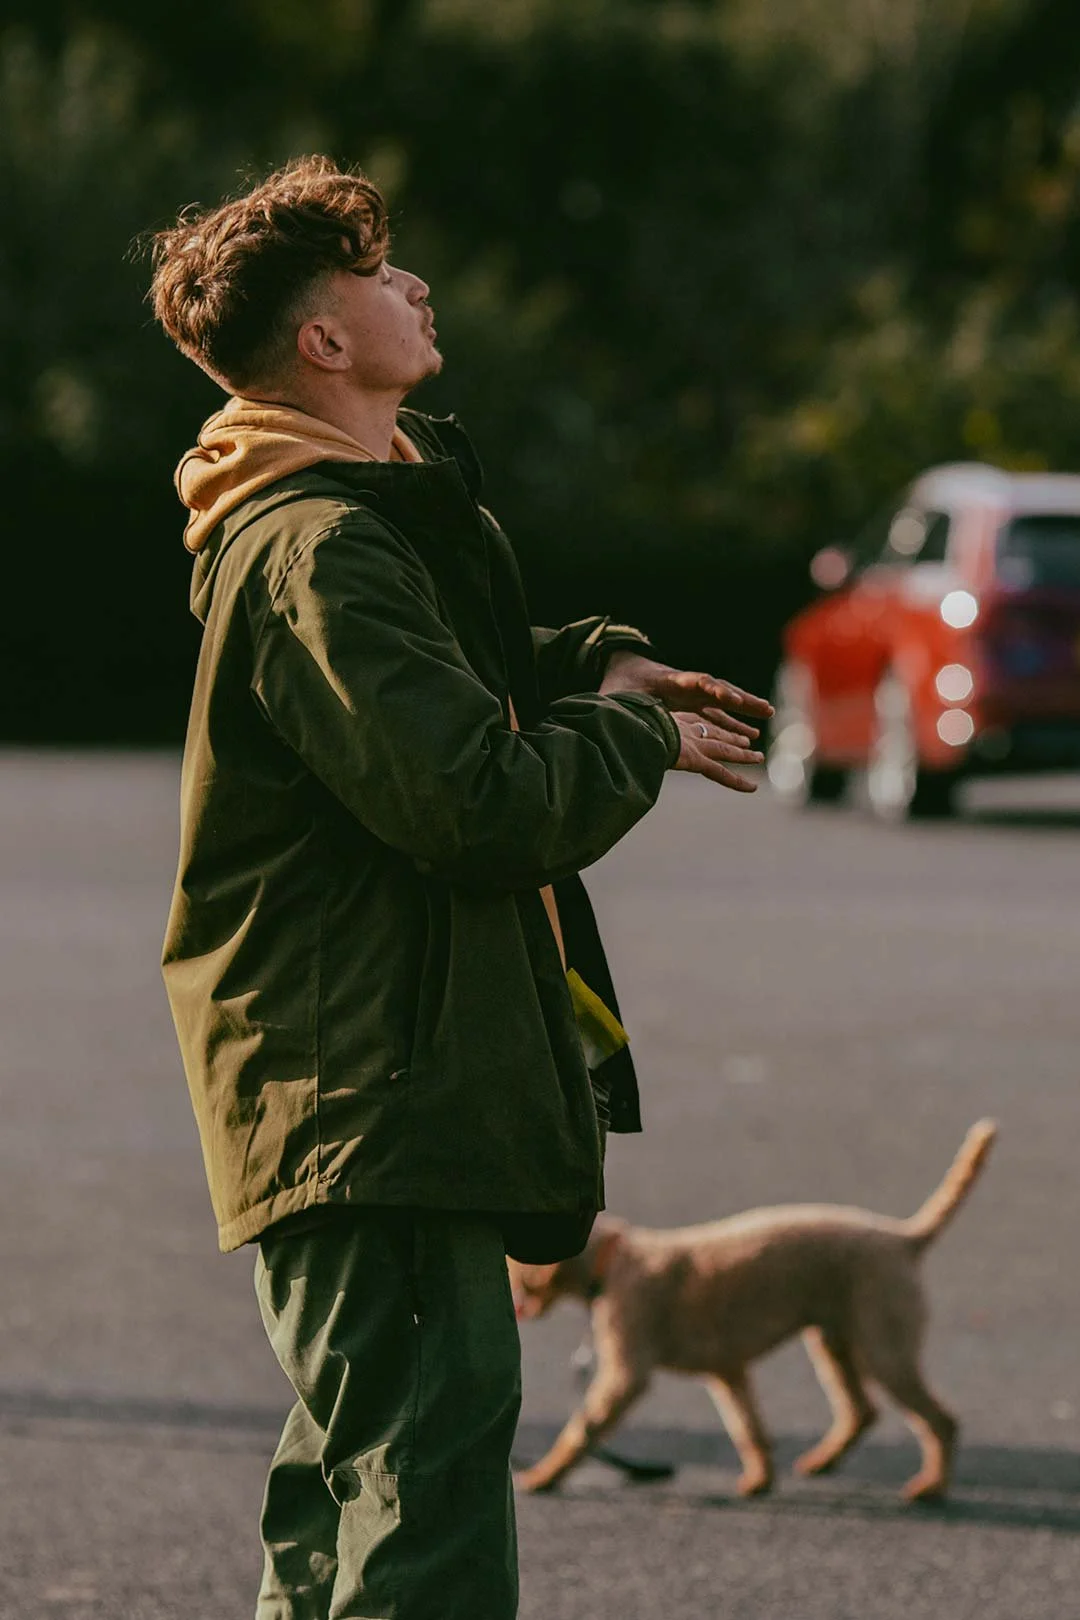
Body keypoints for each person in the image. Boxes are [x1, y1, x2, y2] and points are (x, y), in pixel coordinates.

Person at [149, 154, 771, 1620]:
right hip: (375, 1098)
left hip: (382, 1091)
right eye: (376, 275)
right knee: (417, 1528)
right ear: (321, 342)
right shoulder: (318, 548)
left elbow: (440, 695)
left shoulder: (368, 518)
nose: (410, 286)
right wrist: (636, 733)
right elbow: (471, 803)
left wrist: (586, 666)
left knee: (355, 1506)